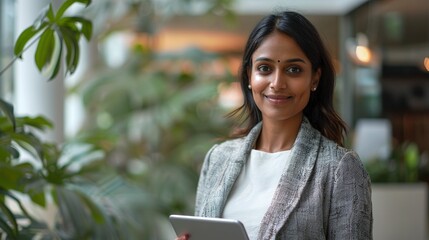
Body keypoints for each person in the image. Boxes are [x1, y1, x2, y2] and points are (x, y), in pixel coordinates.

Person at [178, 10, 372, 240]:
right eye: (265, 68)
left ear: (315, 79)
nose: (277, 83)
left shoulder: (339, 168)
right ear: (249, 75)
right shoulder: (218, 159)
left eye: (293, 70)